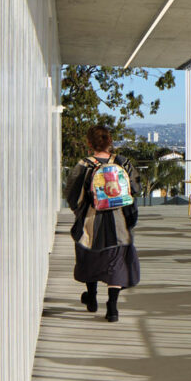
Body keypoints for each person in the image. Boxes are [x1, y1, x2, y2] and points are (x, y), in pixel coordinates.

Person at [64, 125, 141, 323]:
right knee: (116, 263)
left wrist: (79, 211)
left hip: (92, 219)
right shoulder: (122, 162)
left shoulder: (84, 164)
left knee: (90, 255)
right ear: (110, 141)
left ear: (89, 143)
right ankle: (113, 307)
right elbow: (135, 188)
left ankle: (91, 298)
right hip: (118, 221)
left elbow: (72, 193)